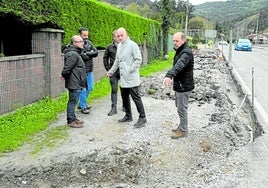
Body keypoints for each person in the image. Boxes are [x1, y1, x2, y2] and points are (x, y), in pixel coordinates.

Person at [107, 27, 146, 128]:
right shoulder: (120, 46)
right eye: (118, 36)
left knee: (136, 98)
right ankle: (128, 115)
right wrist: (110, 71)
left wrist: (130, 69)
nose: (119, 37)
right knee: (124, 98)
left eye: (121, 35)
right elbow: (117, 61)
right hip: (123, 78)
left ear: (126, 34)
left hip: (131, 78)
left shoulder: (132, 45)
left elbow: (138, 59)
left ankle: (142, 118)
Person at [163, 32, 195, 139]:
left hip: (184, 86)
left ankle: (183, 130)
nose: (175, 43)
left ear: (183, 40)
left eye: (177, 41)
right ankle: (182, 126)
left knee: (182, 108)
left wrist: (169, 75)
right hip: (180, 85)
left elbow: (179, 65)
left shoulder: (186, 53)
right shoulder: (180, 50)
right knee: (179, 106)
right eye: (174, 41)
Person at [61, 35, 87, 128]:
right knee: (72, 101)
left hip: (76, 81)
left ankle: (73, 118)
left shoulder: (75, 53)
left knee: (74, 101)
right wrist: (63, 75)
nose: (82, 43)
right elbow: (67, 68)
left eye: (82, 41)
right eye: (80, 41)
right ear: (74, 43)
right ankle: (71, 120)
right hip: (74, 82)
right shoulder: (73, 54)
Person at [77, 27, 98, 114]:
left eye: (87, 35)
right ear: (79, 35)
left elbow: (96, 52)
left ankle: (81, 103)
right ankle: (83, 106)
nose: (86, 37)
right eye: (84, 35)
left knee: (90, 87)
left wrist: (88, 53)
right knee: (83, 89)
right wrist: (90, 53)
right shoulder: (77, 44)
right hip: (82, 70)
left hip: (90, 69)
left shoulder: (89, 43)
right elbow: (82, 56)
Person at [103, 30, 124, 116]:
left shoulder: (125, 46)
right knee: (114, 89)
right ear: (113, 37)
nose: (118, 38)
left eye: (120, 36)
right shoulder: (109, 47)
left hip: (123, 71)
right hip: (113, 72)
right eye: (116, 36)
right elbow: (105, 58)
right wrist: (108, 69)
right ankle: (113, 107)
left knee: (124, 89)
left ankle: (125, 106)